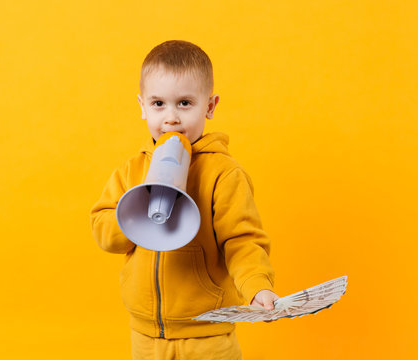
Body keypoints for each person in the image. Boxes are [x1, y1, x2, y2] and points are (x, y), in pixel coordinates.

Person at [90, 40, 279, 359]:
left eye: (185, 103)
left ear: (210, 106)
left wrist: (256, 284)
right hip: (146, 334)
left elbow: (242, 240)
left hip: (207, 335)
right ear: (142, 106)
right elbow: (103, 227)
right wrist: (134, 216)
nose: (171, 118)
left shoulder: (223, 173)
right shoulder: (132, 171)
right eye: (158, 103)